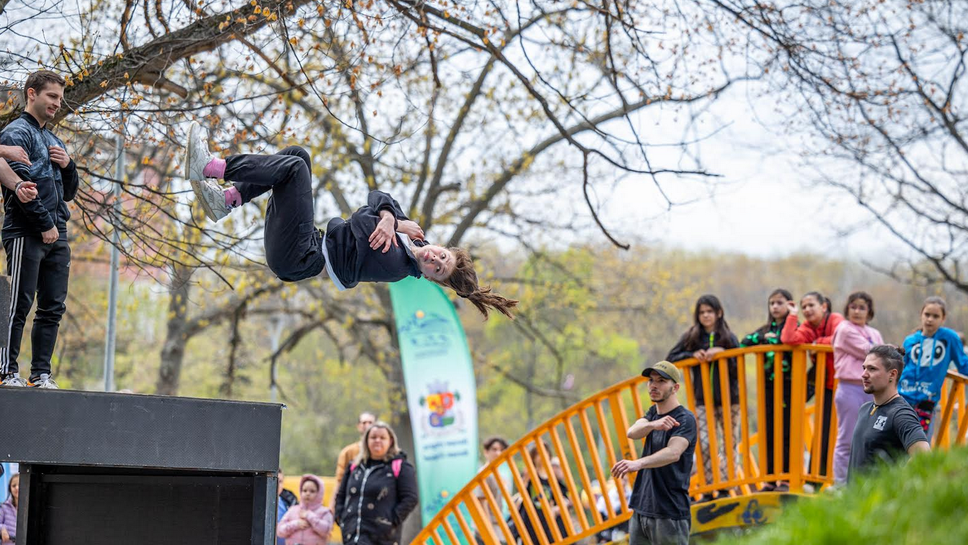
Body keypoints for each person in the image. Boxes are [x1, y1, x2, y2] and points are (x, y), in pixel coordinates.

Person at [183, 123, 517, 320]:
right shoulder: (412, 238)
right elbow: (378, 195)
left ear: (430, 277)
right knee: (297, 155)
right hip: (306, 246)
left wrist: (390, 221)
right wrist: (391, 217)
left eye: (438, 269)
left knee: (295, 170)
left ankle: (211, 167)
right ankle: (227, 200)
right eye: (442, 256)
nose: (434, 259)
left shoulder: (396, 263)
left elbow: (361, 218)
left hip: (300, 255)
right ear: (442, 247)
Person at [0, 70, 79, 389]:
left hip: (57, 233)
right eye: (52, 96)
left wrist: (68, 166)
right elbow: (22, 187)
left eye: (60, 98)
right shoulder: (16, 133)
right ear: (31, 94)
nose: (57, 103)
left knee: (53, 307)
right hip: (26, 230)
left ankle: (40, 375)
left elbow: (69, 192)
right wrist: (45, 225)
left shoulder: (53, 140)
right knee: (18, 303)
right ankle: (6, 371)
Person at [612, 361, 697, 545]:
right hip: (641, 509)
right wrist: (653, 424)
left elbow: (673, 453)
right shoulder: (652, 414)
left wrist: (638, 463)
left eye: (661, 381)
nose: (653, 385)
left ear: (675, 388)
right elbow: (632, 432)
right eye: (651, 380)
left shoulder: (685, 419)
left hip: (669, 513)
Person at [666, 294, 740, 499]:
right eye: (702, 312)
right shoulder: (692, 337)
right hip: (702, 399)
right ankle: (708, 487)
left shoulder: (728, 337)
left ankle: (726, 486)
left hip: (729, 399)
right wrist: (692, 355)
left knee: (729, 443)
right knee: (705, 443)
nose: (706, 315)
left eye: (709, 311)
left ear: (719, 313)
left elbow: (738, 365)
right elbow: (671, 357)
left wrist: (723, 353)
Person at [781, 290, 844, 481]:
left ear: (823, 306)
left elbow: (842, 338)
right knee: (823, 431)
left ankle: (842, 478)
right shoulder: (808, 326)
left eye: (811, 305)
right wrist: (793, 315)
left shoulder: (835, 319)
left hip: (845, 385)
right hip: (826, 387)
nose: (807, 310)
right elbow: (788, 339)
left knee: (842, 431)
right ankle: (815, 478)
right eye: (804, 307)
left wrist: (817, 343)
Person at [740, 288, 795, 491]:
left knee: (787, 431)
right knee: (768, 431)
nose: (775, 307)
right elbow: (745, 342)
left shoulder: (794, 327)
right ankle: (770, 479)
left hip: (789, 386)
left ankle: (787, 478)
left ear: (790, 305)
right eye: (772, 303)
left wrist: (772, 339)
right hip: (768, 387)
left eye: (780, 303)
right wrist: (766, 338)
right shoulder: (764, 329)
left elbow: (789, 339)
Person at [848, 345, 930, 481]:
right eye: (864, 368)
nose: (864, 374)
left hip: (880, 495)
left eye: (872, 369)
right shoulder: (865, 409)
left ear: (892, 374)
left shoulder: (901, 413)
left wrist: (894, 486)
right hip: (855, 494)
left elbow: (923, 456)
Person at [334, 421, 418, 545]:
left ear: (390, 441)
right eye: (373, 437)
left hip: (383, 539)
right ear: (366, 441)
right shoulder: (354, 466)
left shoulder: (400, 466)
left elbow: (411, 498)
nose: (377, 440)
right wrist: (341, 517)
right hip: (352, 536)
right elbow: (341, 495)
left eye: (382, 437)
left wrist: (391, 521)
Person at [830, 291, 883, 486]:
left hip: (872, 390)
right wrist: (890, 350)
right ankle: (841, 484)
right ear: (847, 309)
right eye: (853, 307)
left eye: (862, 308)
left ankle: (863, 483)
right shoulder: (844, 329)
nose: (857, 311)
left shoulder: (874, 333)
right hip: (850, 388)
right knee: (847, 438)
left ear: (869, 312)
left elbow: (881, 359)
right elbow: (870, 352)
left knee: (870, 438)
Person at [899, 296, 968, 438]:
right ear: (921, 315)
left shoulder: (949, 338)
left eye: (935, 316)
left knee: (920, 443)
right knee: (897, 441)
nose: (930, 319)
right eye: (927, 314)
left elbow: (963, 364)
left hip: (926, 402)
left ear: (943, 318)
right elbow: (901, 368)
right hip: (902, 398)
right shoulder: (910, 340)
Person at [514, 443, 571, 545]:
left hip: (548, 521)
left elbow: (564, 498)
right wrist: (526, 478)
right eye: (538, 453)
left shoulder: (552, 477)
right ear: (533, 457)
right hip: (531, 519)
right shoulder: (530, 473)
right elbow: (521, 490)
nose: (541, 456)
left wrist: (556, 509)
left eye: (544, 452)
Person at [332, 411, 377, 508]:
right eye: (364, 423)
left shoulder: (383, 453)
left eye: (370, 422)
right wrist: (333, 507)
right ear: (358, 426)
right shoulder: (348, 452)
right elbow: (339, 481)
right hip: (352, 504)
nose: (367, 425)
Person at [277, 474, 334, 545]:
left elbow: (326, 530)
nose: (308, 494)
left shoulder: (324, 512)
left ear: (319, 493)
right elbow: (280, 531)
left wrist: (310, 516)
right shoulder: (293, 510)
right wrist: (296, 524)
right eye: (304, 490)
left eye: (312, 491)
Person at [277, 469, 299, 545]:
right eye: (274, 480)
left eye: (280, 481)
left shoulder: (290, 500)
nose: (277, 485)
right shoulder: (258, 502)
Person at [0, 473, 17, 545]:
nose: (17, 488)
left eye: (20, 485)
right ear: (10, 488)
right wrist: (2, 528)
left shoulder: (32, 508)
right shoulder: (3, 507)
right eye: (14, 485)